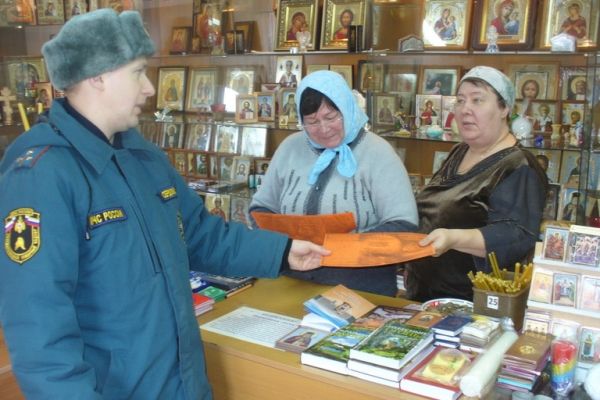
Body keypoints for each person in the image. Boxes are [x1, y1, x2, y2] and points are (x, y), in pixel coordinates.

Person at [0, 10, 329, 399]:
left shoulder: (142, 156)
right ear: (97, 76)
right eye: (138, 72)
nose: (150, 88)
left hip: (181, 384)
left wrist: (283, 251)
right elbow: (40, 333)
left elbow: (201, 235)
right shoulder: (41, 174)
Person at [250, 71, 418, 296]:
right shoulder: (290, 148)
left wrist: (342, 247)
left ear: (347, 108)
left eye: (331, 117)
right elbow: (259, 209)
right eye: (312, 122)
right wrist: (285, 242)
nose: (323, 128)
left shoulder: (378, 153)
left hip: (360, 289)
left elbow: (404, 225)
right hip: (290, 282)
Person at [406, 66, 548, 301]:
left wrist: (453, 238)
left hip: (472, 304)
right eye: (460, 101)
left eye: (477, 100)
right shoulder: (459, 151)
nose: (465, 109)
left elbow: (516, 236)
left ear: (504, 108)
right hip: (426, 296)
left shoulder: (519, 166)